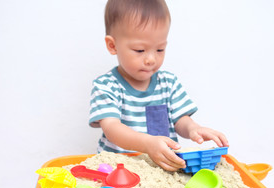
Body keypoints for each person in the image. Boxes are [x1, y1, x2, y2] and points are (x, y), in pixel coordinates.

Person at [89, 0, 229, 171]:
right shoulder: (106, 86)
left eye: (160, 49)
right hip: (118, 169)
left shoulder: (168, 83)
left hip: (162, 168)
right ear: (112, 45)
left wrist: (194, 129)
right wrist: (147, 143)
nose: (151, 59)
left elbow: (181, 120)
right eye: (140, 50)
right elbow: (112, 128)